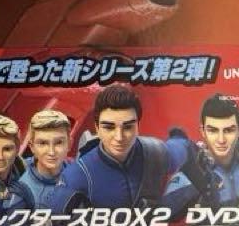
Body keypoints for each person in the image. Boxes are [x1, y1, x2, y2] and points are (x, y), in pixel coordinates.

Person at [61, 84, 217, 209]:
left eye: (128, 127)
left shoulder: (156, 153)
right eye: (109, 127)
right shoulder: (77, 175)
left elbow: (184, 146)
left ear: (137, 126)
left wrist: (206, 188)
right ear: (97, 128)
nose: (119, 137)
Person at [163, 93, 239, 217]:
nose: (221, 140)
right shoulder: (191, 171)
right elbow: (164, 213)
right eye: (213, 130)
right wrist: (196, 181)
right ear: (203, 131)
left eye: (229, 130)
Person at [17, 108, 84, 214]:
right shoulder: (17, 178)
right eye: (43, 143)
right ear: (32, 146)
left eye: (58, 142)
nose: (51, 152)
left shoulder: (83, 175)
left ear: (69, 144)